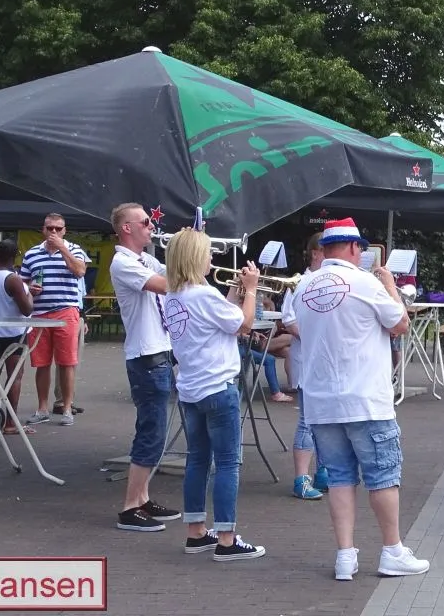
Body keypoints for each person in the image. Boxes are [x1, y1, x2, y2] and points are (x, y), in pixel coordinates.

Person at [292, 218, 428, 581]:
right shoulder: (366, 282)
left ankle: (345, 556)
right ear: (354, 248)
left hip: (322, 401)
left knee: (338, 478)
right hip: (365, 397)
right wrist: (390, 286)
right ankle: (392, 550)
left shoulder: (304, 285)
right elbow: (399, 323)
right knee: (383, 476)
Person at [163, 229, 267, 560]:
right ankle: (226, 539)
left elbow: (217, 319)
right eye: (207, 253)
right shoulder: (202, 295)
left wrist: (234, 293)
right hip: (218, 388)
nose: (212, 259)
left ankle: (196, 532)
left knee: (197, 460)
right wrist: (250, 291)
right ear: (195, 258)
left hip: (190, 389)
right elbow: (245, 325)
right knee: (226, 464)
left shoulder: (174, 297)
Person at [108, 203, 181, 532]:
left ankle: (143, 498)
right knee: (151, 432)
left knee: (155, 430)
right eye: (145, 223)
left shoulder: (143, 259)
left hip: (159, 353)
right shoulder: (123, 263)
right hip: (146, 356)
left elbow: (173, 272)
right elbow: (167, 285)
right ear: (126, 228)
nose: (151, 227)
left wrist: (187, 247)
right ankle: (129, 507)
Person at [18, 213, 89, 426]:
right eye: (50, 228)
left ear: (64, 230)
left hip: (66, 311)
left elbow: (80, 271)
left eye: (58, 228)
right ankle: (42, 408)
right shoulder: (31, 254)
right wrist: (30, 288)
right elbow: (23, 284)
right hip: (39, 313)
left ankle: (66, 407)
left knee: (67, 362)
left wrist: (63, 248)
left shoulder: (74, 250)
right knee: (41, 363)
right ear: (43, 229)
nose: (54, 232)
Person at [278, 231, 329, 501]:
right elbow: (288, 319)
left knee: (325, 421)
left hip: (325, 361)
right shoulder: (299, 282)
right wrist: (312, 336)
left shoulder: (329, 281)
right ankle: (301, 478)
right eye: (325, 250)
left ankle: (323, 471)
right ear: (315, 253)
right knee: (307, 421)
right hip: (307, 357)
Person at [0, 240, 35, 435]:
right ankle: (11, 422)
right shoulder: (12, 279)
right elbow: (26, 309)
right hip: (13, 334)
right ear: (14, 255)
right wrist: (30, 295)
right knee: (14, 377)